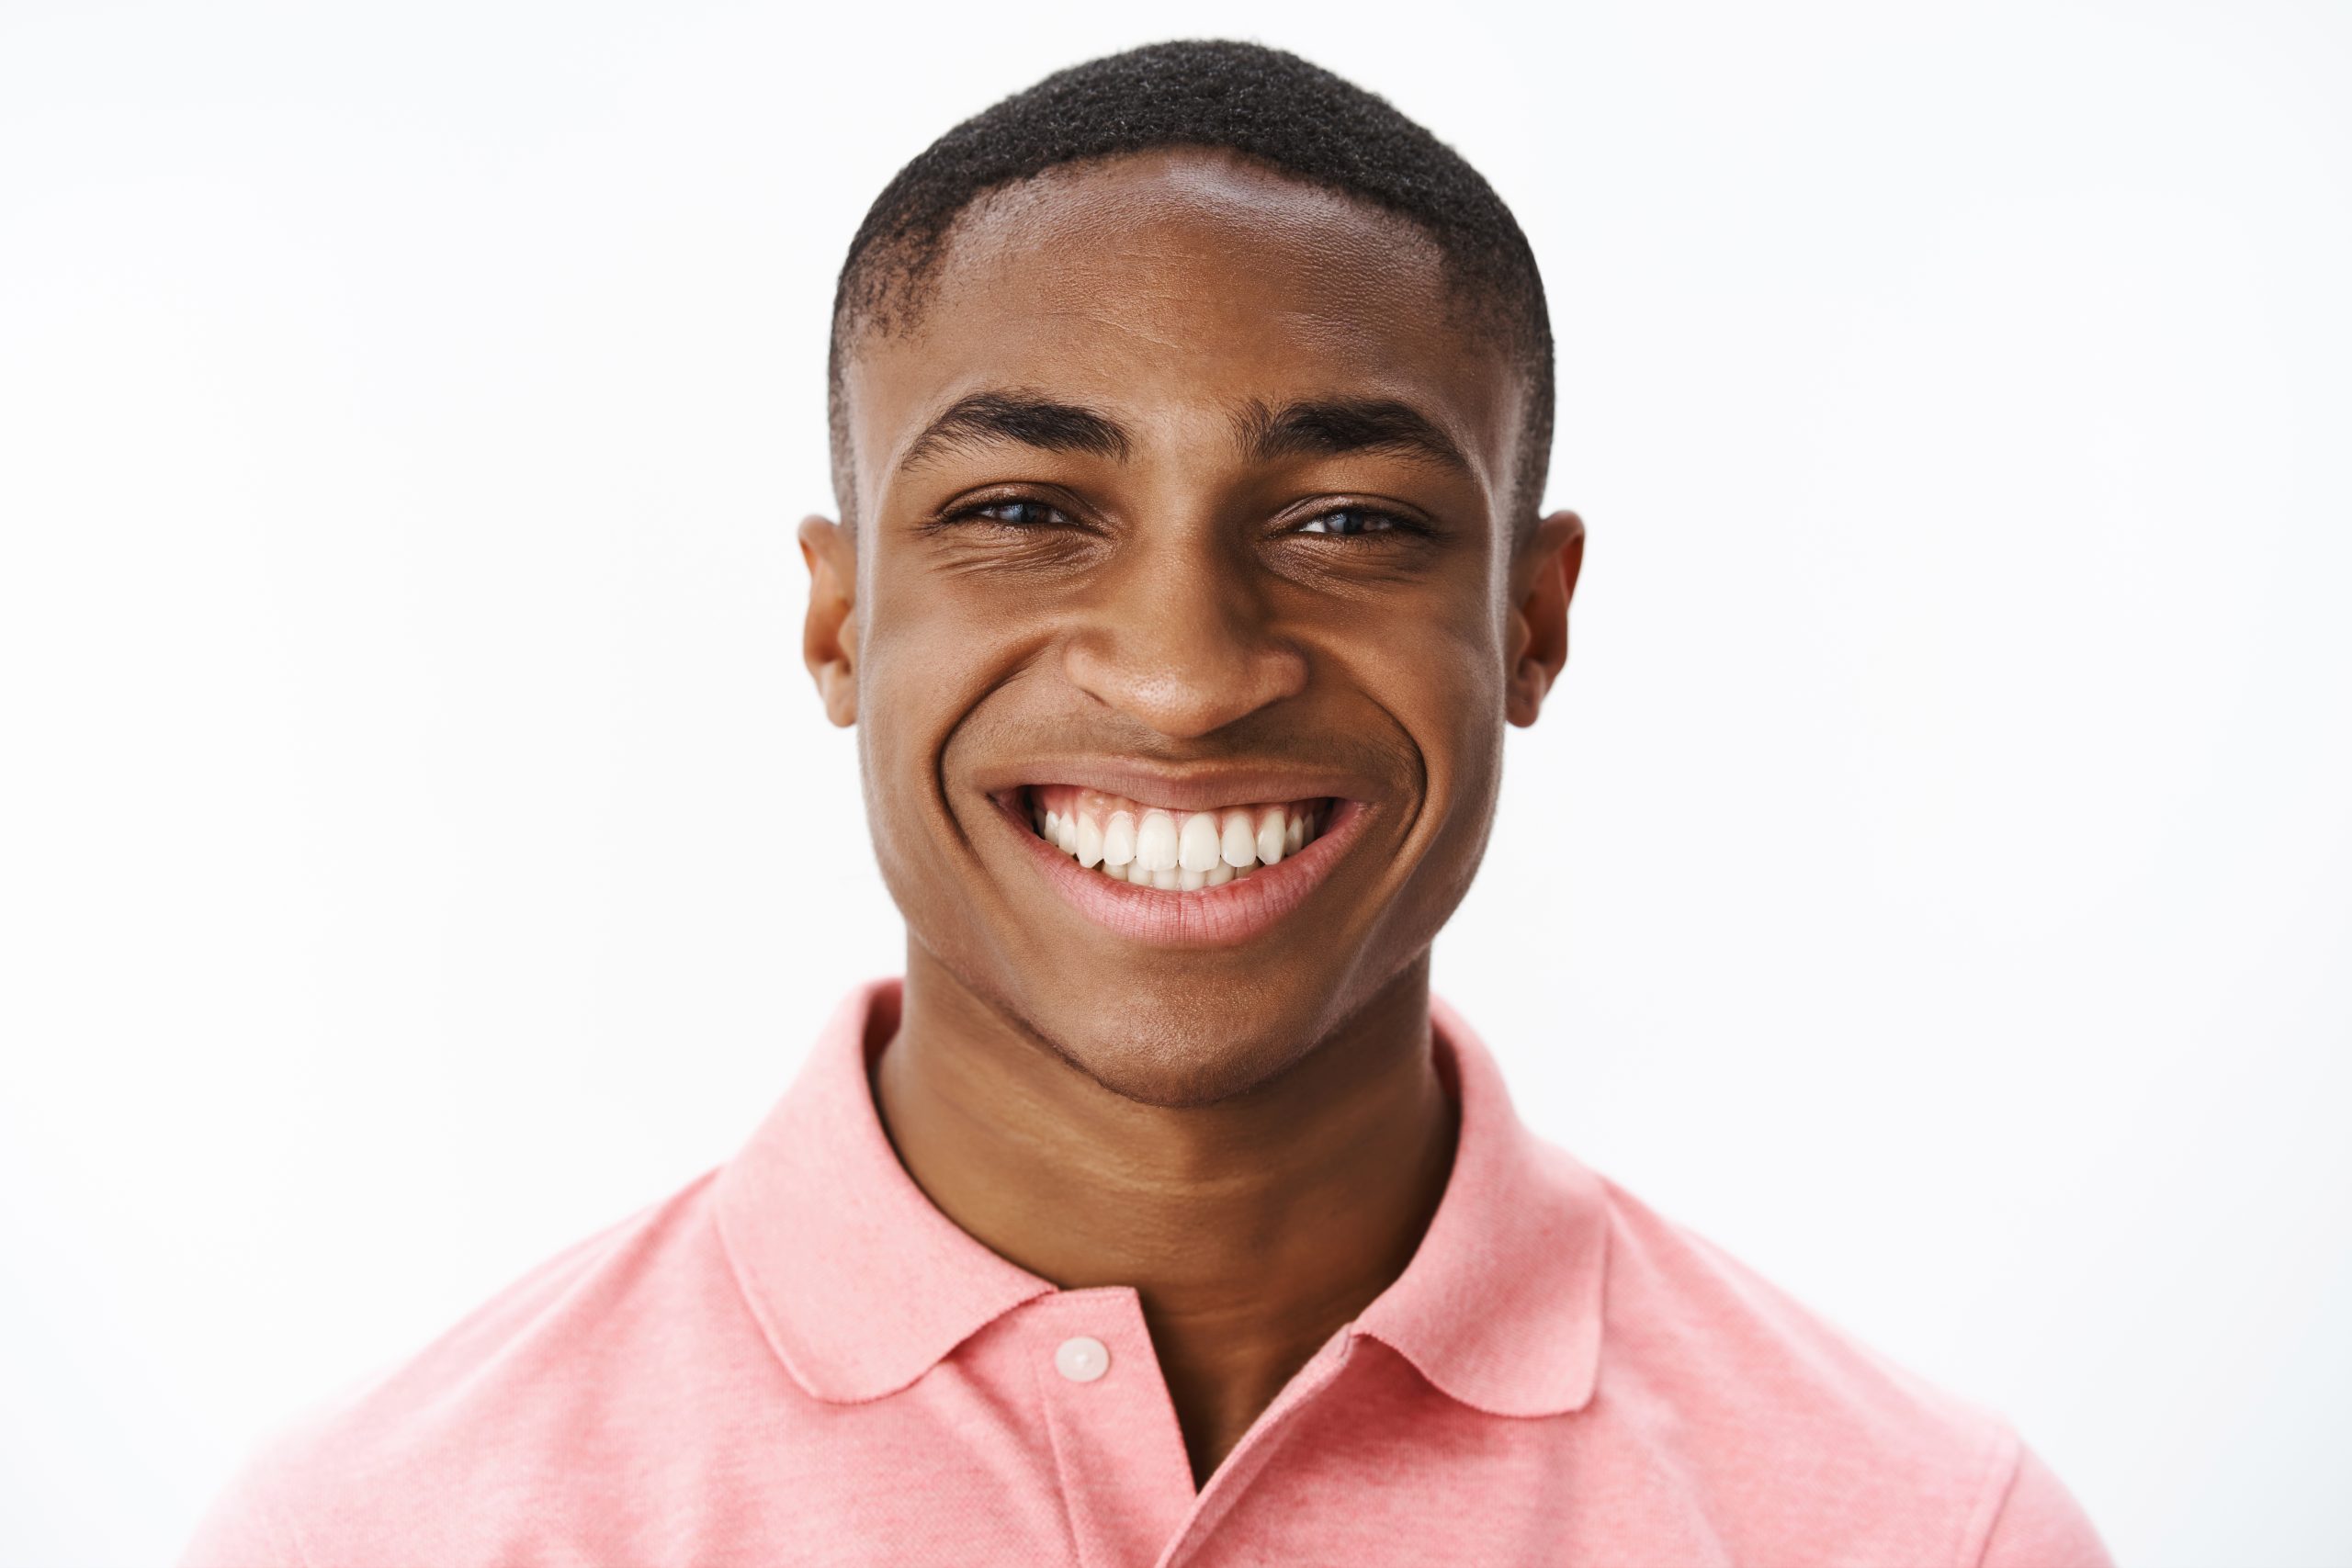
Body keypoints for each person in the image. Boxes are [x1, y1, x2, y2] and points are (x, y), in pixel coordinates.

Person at [183, 39, 2111, 1566]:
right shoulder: (388, 1531)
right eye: (1023, 512)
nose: (1185, 678)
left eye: (1348, 520)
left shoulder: (1923, 1530)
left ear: (1528, 621)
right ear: (842, 618)